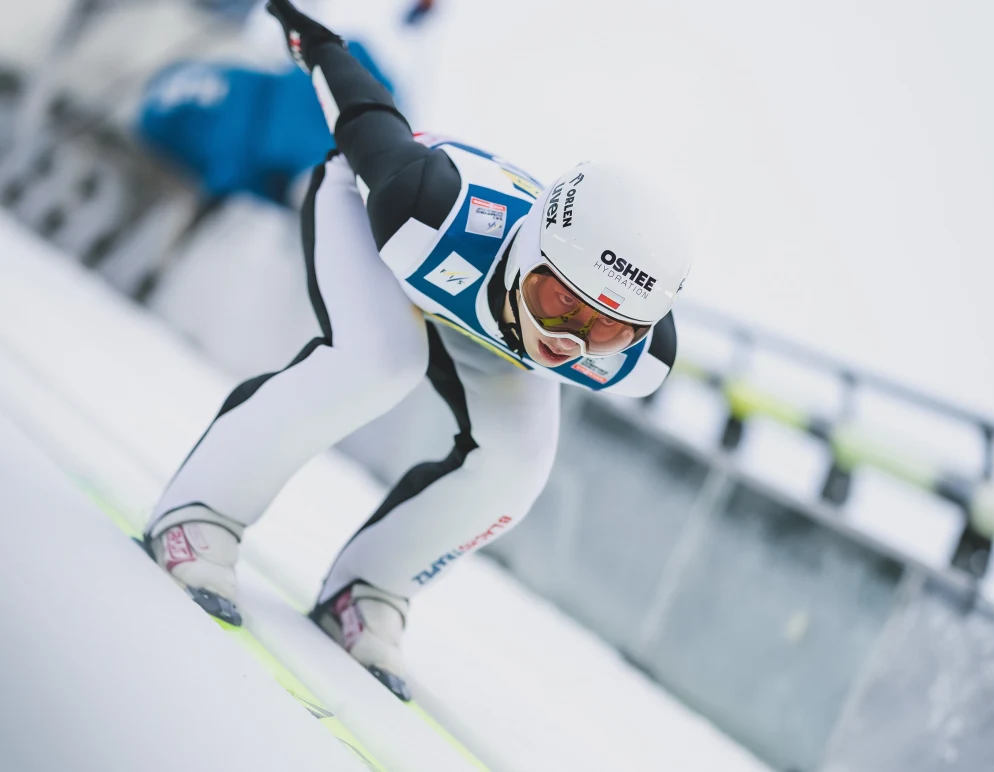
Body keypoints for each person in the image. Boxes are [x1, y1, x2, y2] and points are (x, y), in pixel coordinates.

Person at [144, 0, 692, 701]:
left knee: (519, 467)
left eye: (605, 331)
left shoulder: (636, 360)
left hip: (487, 309)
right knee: (379, 360)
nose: (569, 341)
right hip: (380, 234)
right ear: (533, 251)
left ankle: (368, 591)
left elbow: (571, 326)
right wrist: (308, 30)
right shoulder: (427, 207)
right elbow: (364, 109)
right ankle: (200, 512)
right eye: (560, 301)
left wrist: (555, 313)